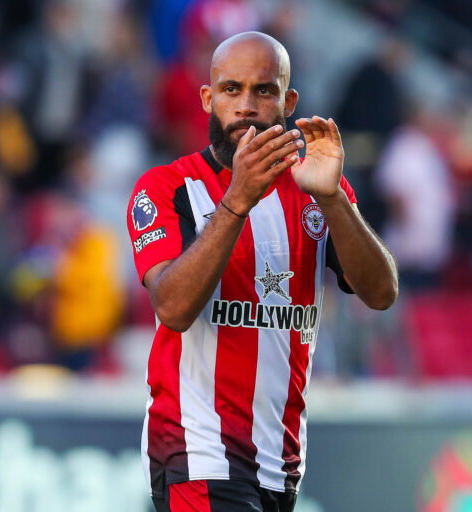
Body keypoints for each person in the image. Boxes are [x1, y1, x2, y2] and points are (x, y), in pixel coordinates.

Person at [127, 31, 398, 512]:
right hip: (198, 453)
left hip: (281, 463)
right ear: (209, 98)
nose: (246, 106)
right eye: (231, 90)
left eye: (264, 91)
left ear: (288, 101)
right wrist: (237, 201)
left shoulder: (314, 188)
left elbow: (380, 292)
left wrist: (334, 198)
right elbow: (171, 307)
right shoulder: (167, 188)